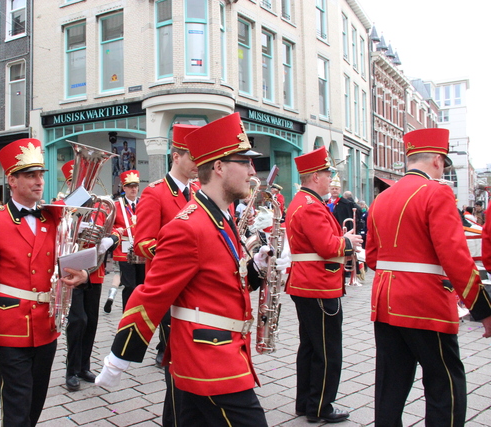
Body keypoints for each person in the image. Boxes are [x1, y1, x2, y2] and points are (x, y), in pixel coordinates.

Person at [96, 113, 268, 427]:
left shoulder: (220, 214)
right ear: (218, 167)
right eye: (244, 161)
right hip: (211, 360)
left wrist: (259, 265)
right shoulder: (190, 225)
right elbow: (152, 293)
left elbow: (224, 274)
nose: (252, 170)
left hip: (221, 352)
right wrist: (119, 357)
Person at [366, 128, 491, 427]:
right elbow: (455, 257)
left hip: (385, 301)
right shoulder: (437, 191)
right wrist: (483, 309)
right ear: (437, 160)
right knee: (444, 384)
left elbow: (372, 257)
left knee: (390, 386)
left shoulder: (381, 198)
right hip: (425, 303)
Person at [0, 138, 89, 426]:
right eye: (30, 175)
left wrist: (81, 274)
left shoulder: (53, 218)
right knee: (17, 407)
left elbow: (68, 259)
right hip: (10, 327)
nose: (38, 182)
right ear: (12, 180)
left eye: (41, 175)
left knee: (35, 404)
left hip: (46, 327)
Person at [284, 146, 361, 423]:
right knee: (328, 351)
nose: (331, 179)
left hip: (307, 284)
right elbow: (328, 247)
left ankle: (306, 403)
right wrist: (349, 242)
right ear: (315, 176)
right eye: (328, 174)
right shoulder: (311, 206)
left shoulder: (303, 202)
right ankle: (320, 408)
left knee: (310, 347)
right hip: (317, 285)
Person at [134, 124, 201, 370]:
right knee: (175, 354)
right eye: (193, 157)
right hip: (168, 280)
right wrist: (175, 252)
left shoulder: (198, 192)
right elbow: (142, 243)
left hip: (196, 283)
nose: (198, 163)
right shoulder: (155, 193)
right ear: (176, 156)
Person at [62, 160, 117, 392]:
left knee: (92, 322)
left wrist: (111, 239)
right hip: (73, 270)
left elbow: (116, 228)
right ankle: (71, 370)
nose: (83, 185)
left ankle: (83, 366)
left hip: (95, 272)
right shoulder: (65, 205)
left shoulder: (101, 206)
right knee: (78, 320)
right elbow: (58, 230)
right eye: (77, 181)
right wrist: (74, 228)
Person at [110, 170, 145, 310]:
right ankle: (128, 313)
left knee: (142, 284)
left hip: (141, 248)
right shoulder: (116, 205)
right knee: (129, 285)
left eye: (135, 186)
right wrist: (115, 232)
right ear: (124, 188)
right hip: (124, 249)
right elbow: (110, 226)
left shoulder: (144, 203)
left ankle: (140, 313)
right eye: (130, 186)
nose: (133, 189)